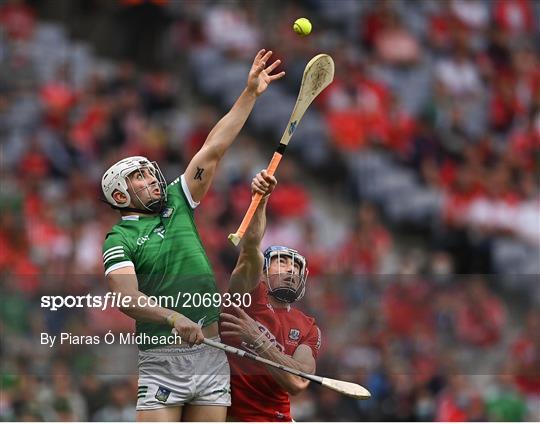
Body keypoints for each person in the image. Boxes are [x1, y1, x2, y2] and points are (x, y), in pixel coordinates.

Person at [100, 50, 284, 422]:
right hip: (162, 357)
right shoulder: (118, 238)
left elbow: (213, 149)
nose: (152, 178)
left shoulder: (177, 200)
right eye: (139, 177)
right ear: (120, 195)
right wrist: (172, 317)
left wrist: (250, 93)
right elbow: (126, 298)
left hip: (210, 352)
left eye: (150, 172)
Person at [220, 170, 322, 421]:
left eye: (296, 267)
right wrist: (261, 199)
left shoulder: (308, 327)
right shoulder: (244, 297)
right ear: (263, 274)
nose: (290, 269)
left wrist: (259, 341)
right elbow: (251, 247)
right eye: (282, 263)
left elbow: (298, 383)